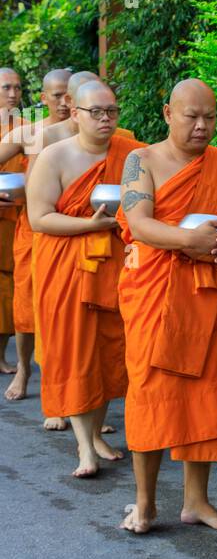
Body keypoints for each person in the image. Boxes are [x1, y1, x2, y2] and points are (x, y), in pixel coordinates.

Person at [117, 78, 217, 534]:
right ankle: (144, 502)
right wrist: (188, 240)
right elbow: (138, 224)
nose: (201, 126)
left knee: (209, 397)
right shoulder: (141, 160)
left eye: (209, 117)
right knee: (151, 395)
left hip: (213, 295)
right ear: (167, 114)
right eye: (191, 116)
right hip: (157, 296)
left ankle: (196, 501)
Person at [26, 80, 143, 477]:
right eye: (96, 112)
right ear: (75, 113)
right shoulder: (53, 156)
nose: (106, 119)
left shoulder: (132, 154)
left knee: (108, 350)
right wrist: (88, 224)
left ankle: (95, 434)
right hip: (66, 266)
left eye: (111, 111)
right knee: (75, 350)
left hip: (114, 263)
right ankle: (84, 447)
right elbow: (39, 217)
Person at [3, 69, 72, 403]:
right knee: (27, 307)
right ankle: (24, 369)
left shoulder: (99, 136)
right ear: (43, 98)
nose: (63, 101)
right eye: (56, 95)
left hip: (75, 232)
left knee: (68, 313)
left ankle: (73, 393)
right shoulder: (32, 134)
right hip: (34, 231)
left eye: (68, 94)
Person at [0, 67, 24, 373]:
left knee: (9, 288)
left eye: (17, 88)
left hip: (15, 217)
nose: (13, 94)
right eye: (6, 87)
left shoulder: (27, 129)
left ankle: (2, 355)